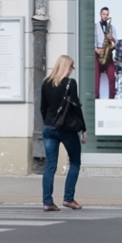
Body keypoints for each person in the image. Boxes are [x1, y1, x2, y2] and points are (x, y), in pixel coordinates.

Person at [39, 55, 86, 212]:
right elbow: (76, 108)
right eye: (71, 67)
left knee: (50, 165)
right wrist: (83, 128)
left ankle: (47, 202)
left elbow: (42, 108)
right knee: (74, 161)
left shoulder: (46, 82)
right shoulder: (70, 83)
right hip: (66, 129)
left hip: (49, 128)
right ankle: (68, 199)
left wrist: (49, 122)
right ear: (67, 67)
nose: (72, 70)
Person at [94, 7, 116, 99]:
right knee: (96, 78)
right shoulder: (95, 26)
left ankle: (112, 97)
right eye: (104, 14)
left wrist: (112, 38)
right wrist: (97, 49)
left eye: (107, 14)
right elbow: (92, 40)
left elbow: (115, 44)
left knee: (112, 77)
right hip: (98, 52)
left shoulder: (112, 27)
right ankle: (96, 98)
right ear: (100, 14)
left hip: (108, 53)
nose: (105, 16)